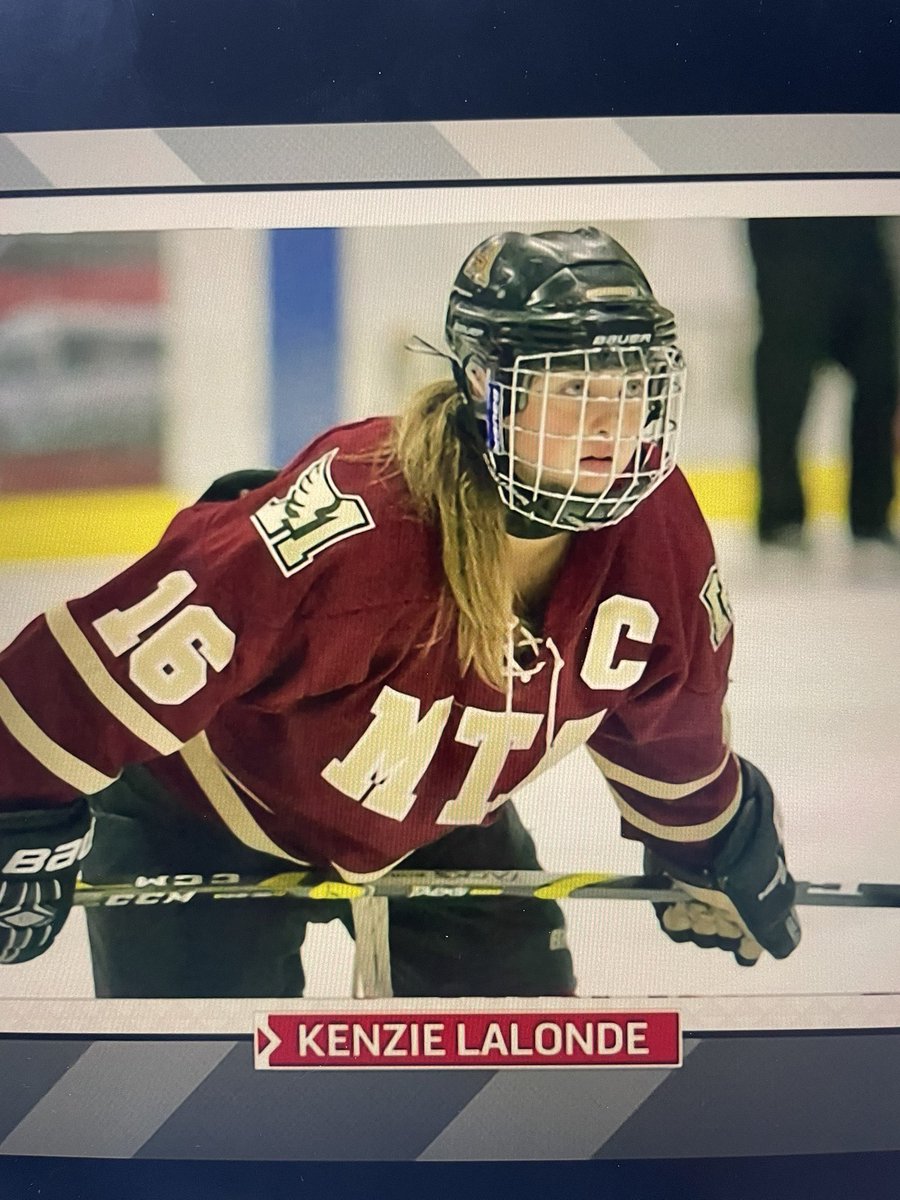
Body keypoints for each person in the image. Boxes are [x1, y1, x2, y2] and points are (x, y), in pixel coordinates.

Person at [0, 227, 800, 998]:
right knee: (206, 1103)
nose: (609, 425)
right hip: (203, 812)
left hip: (435, 823)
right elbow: (96, 665)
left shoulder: (656, 528)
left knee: (515, 1088)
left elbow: (670, 718)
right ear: (488, 383)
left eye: (630, 387)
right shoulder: (356, 526)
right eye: (573, 388)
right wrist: (15, 808)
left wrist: (711, 837)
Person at [747, 217, 899, 548]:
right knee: (784, 387)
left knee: (879, 375)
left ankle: (871, 514)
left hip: (860, 230)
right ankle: (780, 514)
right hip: (789, 232)